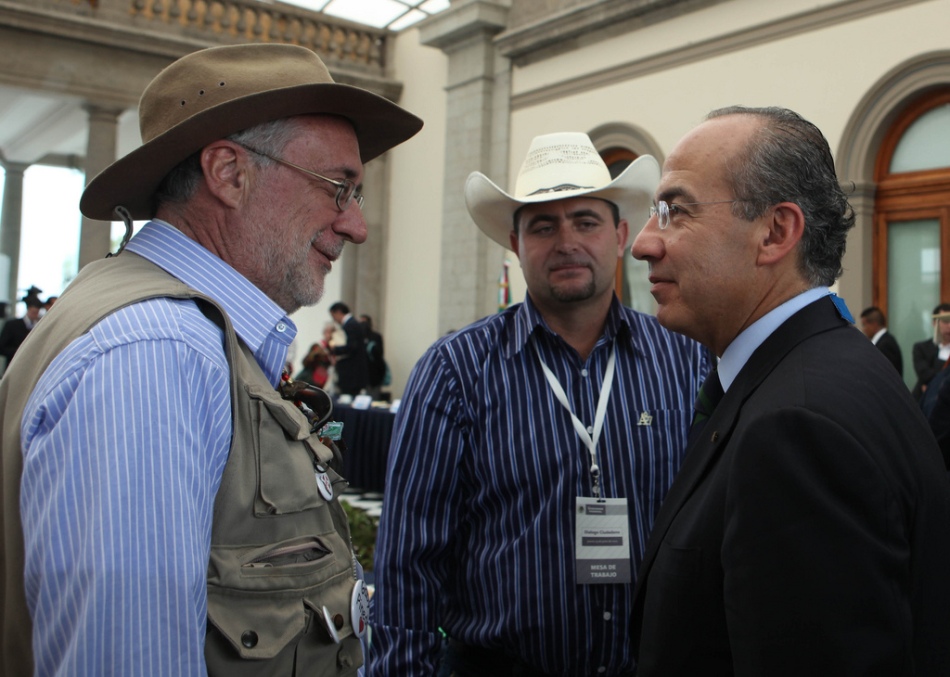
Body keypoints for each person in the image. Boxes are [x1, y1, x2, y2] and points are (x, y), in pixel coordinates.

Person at [0, 43, 422, 676]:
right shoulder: (156, 354)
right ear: (228, 173)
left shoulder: (171, 336)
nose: (356, 226)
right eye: (340, 188)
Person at [371, 132, 712, 676]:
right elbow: (409, 559)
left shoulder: (685, 360)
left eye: (586, 221)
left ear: (620, 236)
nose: (566, 241)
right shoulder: (455, 371)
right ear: (516, 242)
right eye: (543, 226)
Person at [629, 106, 950, 675]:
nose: (644, 244)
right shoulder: (822, 372)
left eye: (675, 211)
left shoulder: (796, 428)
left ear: (775, 232)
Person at [329, 301, 370, 397]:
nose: (334, 319)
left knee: (349, 396)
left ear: (338, 312)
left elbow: (352, 347)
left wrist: (335, 349)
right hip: (353, 370)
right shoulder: (351, 323)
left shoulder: (350, 324)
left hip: (352, 371)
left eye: (333, 316)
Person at [912, 302, 950, 400]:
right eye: (945, 321)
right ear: (934, 323)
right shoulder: (921, 348)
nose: (949, 326)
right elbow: (924, 374)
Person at [0, 286, 45, 369]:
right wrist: (21, 352)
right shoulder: (12, 325)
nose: (35, 315)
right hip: (14, 366)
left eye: (37, 312)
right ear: (28, 309)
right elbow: (2, 347)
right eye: (33, 312)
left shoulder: (39, 326)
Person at [859, 305, 902, 376]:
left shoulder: (885, 345)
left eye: (864, 325)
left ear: (874, 324)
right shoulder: (882, 342)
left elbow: (887, 374)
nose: (863, 329)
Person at [359, 313, 387, 399]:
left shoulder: (376, 337)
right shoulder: (358, 338)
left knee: (373, 398)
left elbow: (379, 355)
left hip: (374, 374)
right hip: (361, 374)